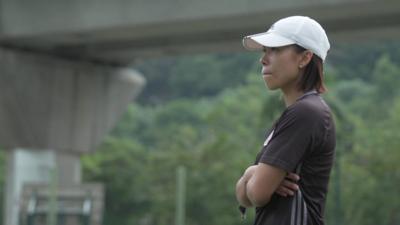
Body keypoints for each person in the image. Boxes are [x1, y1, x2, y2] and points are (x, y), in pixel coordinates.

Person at [235, 16, 336, 225]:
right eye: (265, 50)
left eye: (276, 49)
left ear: (305, 58)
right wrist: (251, 174)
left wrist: (254, 177)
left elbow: (257, 194)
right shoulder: (294, 114)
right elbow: (243, 196)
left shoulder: (306, 113)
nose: (263, 59)